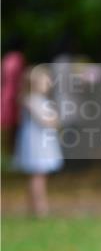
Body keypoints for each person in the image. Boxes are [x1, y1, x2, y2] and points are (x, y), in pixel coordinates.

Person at [13, 65, 63, 217]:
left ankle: (35, 207)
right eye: (44, 81)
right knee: (37, 176)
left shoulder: (39, 100)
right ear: (34, 83)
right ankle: (39, 208)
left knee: (39, 176)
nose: (48, 83)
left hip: (41, 142)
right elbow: (47, 121)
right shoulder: (31, 101)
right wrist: (53, 120)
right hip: (36, 144)